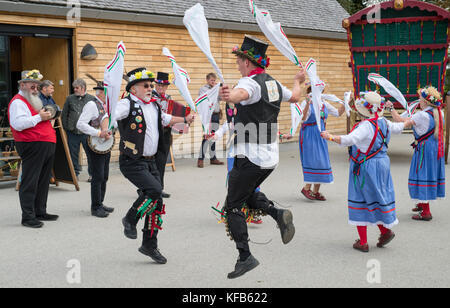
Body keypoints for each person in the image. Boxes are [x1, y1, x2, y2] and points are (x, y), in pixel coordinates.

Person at [219, 35, 305, 279]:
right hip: (269, 158)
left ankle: (245, 257)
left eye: (238, 60)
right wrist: (298, 81)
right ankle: (278, 215)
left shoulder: (252, 84)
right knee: (247, 194)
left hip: (250, 155)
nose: (237, 64)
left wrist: (230, 95)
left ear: (247, 62)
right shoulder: (274, 84)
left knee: (233, 206)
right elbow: (296, 97)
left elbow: (241, 94)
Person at [116, 67, 194, 264]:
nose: (151, 88)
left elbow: (167, 119)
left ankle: (149, 244)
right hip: (132, 161)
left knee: (156, 202)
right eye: (146, 85)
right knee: (155, 190)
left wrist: (185, 119)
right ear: (133, 89)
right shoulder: (126, 104)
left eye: (151, 85)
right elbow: (111, 115)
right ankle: (130, 219)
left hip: (151, 161)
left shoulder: (154, 106)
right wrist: (104, 126)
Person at [321, 91, 413, 252]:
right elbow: (398, 128)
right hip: (382, 164)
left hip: (366, 166)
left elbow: (348, 140)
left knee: (361, 198)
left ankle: (363, 241)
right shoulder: (383, 121)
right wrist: (408, 122)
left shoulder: (365, 126)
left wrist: (329, 136)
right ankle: (385, 231)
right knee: (377, 196)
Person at [7, 70, 58, 228]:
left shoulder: (33, 101)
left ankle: (40, 211)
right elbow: (18, 124)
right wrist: (39, 117)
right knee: (30, 180)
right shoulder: (18, 102)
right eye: (32, 86)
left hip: (44, 143)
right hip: (32, 144)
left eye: (37, 86)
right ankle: (28, 217)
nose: (36, 89)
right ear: (22, 85)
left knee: (43, 180)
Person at [386, 86, 445, 221]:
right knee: (429, 174)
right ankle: (421, 203)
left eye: (420, 98)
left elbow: (401, 121)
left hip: (424, 148)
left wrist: (390, 109)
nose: (419, 100)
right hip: (435, 147)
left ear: (425, 101)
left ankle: (426, 212)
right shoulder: (439, 112)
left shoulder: (422, 115)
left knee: (421, 174)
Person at [297, 83, 345, 201]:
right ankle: (307, 188)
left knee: (321, 160)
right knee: (314, 160)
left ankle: (315, 191)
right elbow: (303, 118)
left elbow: (338, 113)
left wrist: (345, 103)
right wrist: (308, 103)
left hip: (321, 134)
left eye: (321, 90)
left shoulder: (324, 103)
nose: (320, 92)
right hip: (309, 133)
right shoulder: (306, 102)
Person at [76, 81, 114, 218]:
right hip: (95, 144)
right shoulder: (92, 105)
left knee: (104, 175)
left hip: (104, 144)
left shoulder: (106, 106)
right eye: (109, 92)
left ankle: (100, 202)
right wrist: (98, 133)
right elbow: (80, 124)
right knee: (98, 176)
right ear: (102, 92)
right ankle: (95, 207)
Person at [61, 78, 94, 181]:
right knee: (73, 154)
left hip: (86, 132)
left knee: (90, 153)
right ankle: (75, 174)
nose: (74, 89)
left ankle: (92, 174)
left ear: (83, 88)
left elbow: (95, 116)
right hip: (72, 132)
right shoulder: (70, 99)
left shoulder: (91, 99)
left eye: (77, 88)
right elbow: (64, 114)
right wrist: (67, 128)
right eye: (74, 88)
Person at [152, 72, 174, 199]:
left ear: (166, 87)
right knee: (150, 162)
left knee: (161, 161)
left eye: (163, 86)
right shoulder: (150, 97)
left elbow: (171, 114)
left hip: (166, 133)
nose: (161, 88)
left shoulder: (168, 98)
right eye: (159, 85)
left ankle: (159, 188)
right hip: (154, 132)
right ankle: (145, 188)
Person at [197, 73, 224, 168]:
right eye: (212, 80)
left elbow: (221, 98)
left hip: (216, 115)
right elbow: (205, 100)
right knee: (206, 137)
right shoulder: (203, 89)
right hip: (208, 116)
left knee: (214, 137)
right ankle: (200, 159)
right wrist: (215, 88)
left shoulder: (216, 89)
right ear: (207, 80)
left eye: (214, 80)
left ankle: (213, 158)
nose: (213, 82)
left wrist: (221, 89)